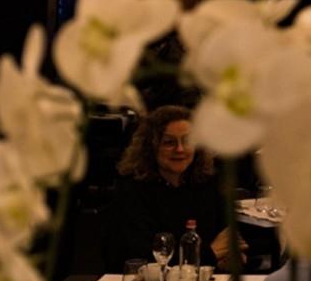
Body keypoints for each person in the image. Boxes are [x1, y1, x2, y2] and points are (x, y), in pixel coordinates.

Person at [102, 105, 245, 271]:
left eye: (187, 141)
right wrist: (211, 254)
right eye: (169, 142)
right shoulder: (132, 191)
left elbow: (228, 239)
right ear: (151, 148)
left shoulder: (208, 183)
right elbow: (141, 259)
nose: (180, 149)